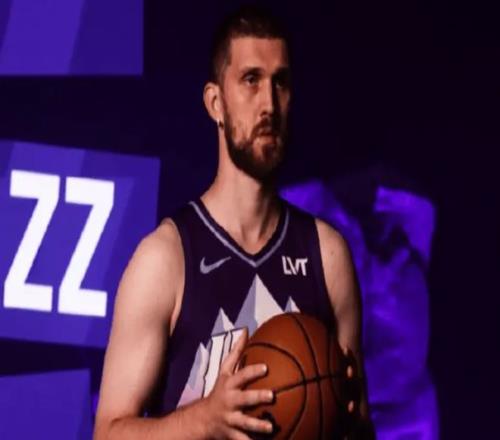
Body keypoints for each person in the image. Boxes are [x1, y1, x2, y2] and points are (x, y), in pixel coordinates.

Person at [93, 5, 373, 439]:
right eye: (251, 80)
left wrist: (349, 421)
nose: (269, 104)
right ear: (215, 103)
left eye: (280, 82)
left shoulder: (328, 255)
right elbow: (108, 433)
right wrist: (205, 419)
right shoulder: (166, 259)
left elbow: (360, 428)